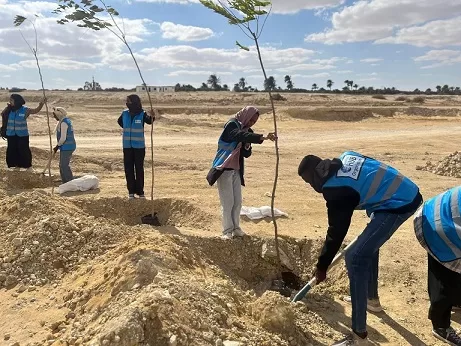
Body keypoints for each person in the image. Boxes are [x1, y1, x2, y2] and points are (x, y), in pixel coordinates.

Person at [298, 151, 422, 346]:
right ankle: (371, 300)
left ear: (315, 178)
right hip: (403, 191)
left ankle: (359, 337)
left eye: (308, 182)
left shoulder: (334, 190)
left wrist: (322, 266)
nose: (311, 187)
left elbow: (336, 232)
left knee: (355, 258)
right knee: (365, 246)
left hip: (399, 204)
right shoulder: (347, 155)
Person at [207, 106, 276, 240]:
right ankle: (227, 231)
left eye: (254, 121)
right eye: (251, 120)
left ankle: (236, 228)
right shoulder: (232, 124)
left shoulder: (247, 131)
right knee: (227, 203)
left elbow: (247, 153)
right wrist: (262, 137)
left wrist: (247, 145)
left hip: (236, 170)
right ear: (246, 116)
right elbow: (237, 135)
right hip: (224, 168)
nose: (251, 123)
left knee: (237, 202)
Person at [413, 186, 461, 345]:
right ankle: (440, 326)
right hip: (437, 226)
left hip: (437, 212)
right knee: (446, 277)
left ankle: (457, 300)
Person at [117, 95, 154, 199]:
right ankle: (131, 192)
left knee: (139, 169)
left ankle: (140, 192)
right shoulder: (124, 113)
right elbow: (119, 122)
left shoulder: (142, 114)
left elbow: (149, 121)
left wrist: (152, 115)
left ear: (134, 102)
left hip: (139, 147)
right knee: (128, 169)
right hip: (127, 146)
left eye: (129, 101)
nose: (127, 103)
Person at [1, 94, 45, 170]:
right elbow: (2, 115)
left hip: (22, 135)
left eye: (12, 100)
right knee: (12, 150)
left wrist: (41, 104)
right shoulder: (8, 109)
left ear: (17, 101)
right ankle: (13, 165)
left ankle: (28, 166)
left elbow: (35, 110)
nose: (10, 102)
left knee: (24, 150)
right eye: (10, 100)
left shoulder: (25, 110)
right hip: (11, 134)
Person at [52, 107, 76, 183]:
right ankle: (65, 181)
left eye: (55, 115)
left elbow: (63, 138)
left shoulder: (64, 123)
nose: (54, 117)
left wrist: (57, 146)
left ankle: (70, 181)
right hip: (65, 146)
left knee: (64, 165)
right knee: (61, 165)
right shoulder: (63, 121)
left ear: (59, 114)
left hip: (68, 147)